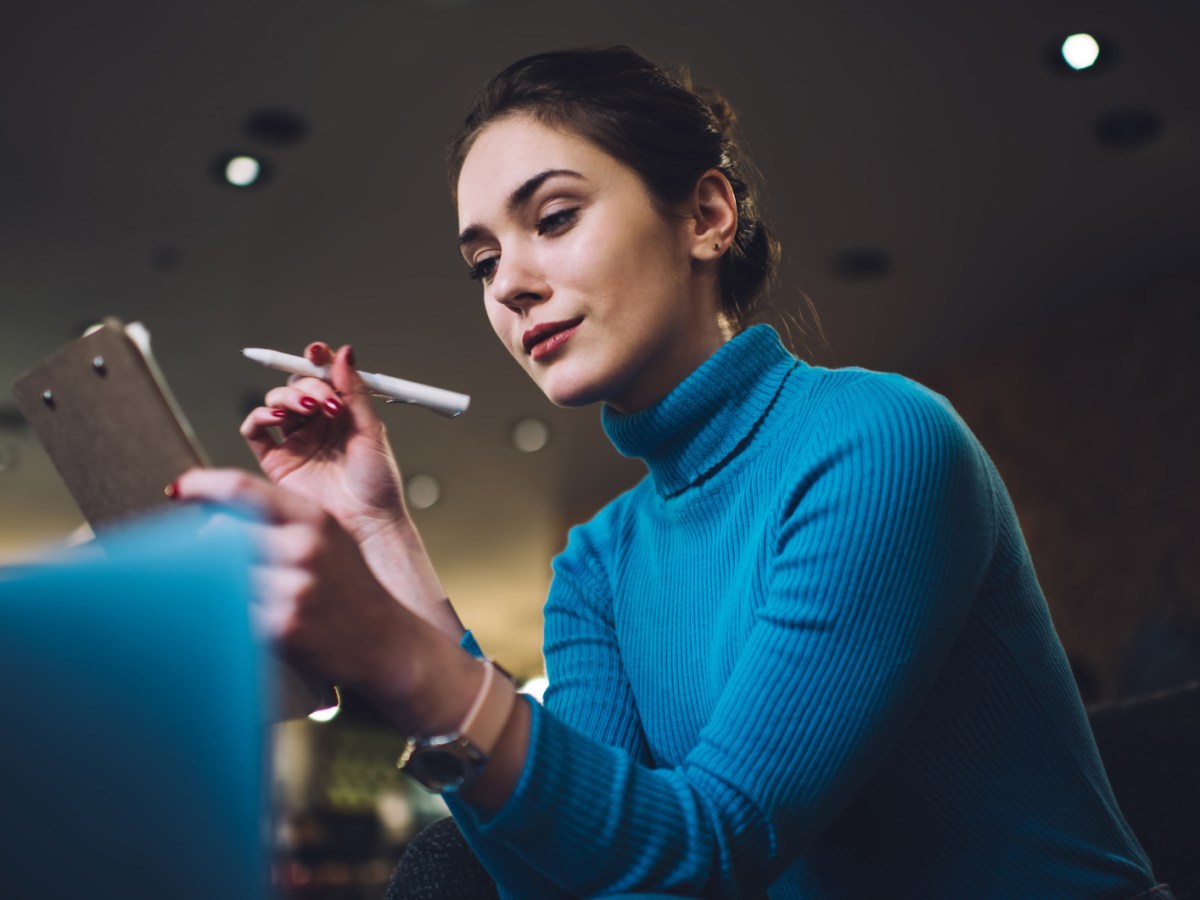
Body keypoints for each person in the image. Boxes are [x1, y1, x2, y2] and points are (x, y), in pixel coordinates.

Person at [175, 47, 1170, 898]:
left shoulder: (879, 442)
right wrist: (383, 536)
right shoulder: (598, 563)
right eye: (483, 262)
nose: (511, 282)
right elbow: (566, 876)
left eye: (553, 217)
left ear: (705, 215)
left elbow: (707, 848)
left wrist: (399, 658)